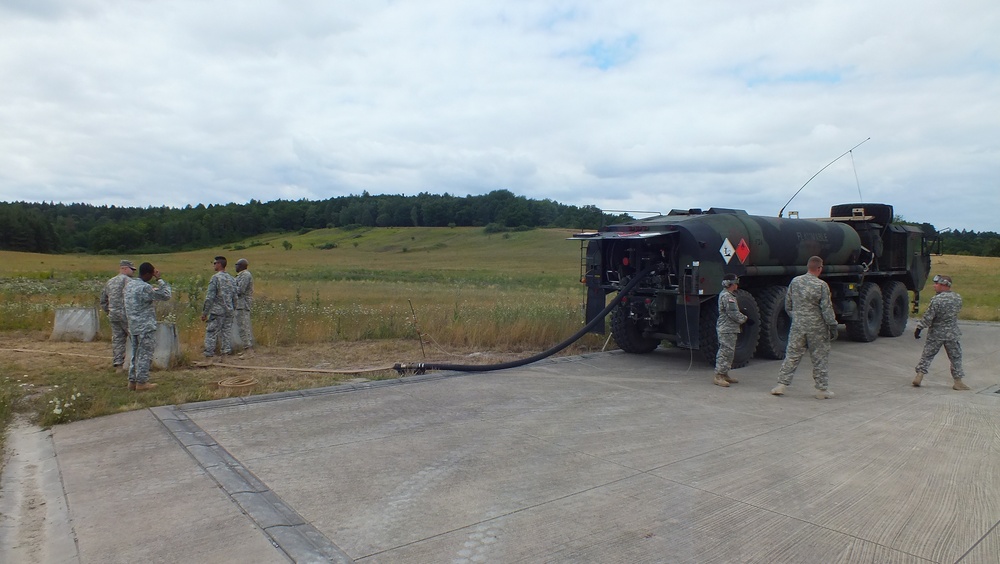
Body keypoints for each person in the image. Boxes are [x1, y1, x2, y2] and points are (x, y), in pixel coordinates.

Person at [770, 256, 839, 399]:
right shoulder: (821, 285)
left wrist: (797, 317)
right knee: (819, 357)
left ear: (808, 267)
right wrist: (833, 326)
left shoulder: (795, 281)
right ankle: (821, 390)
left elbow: (788, 304)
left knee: (792, 355)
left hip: (798, 326)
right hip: (817, 327)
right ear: (819, 268)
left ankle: (781, 385)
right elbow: (826, 309)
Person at [913, 274, 969, 390]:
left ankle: (919, 376)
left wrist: (919, 328)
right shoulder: (957, 298)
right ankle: (958, 381)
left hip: (936, 333)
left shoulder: (936, 300)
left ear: (944, 285)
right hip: (952, 333)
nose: (934, 286)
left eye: (937, 284)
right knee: (956, 357)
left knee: (927, 355)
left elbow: (929, 317)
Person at [124, 262, 171, 391]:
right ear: (148, 274)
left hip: (133, 325)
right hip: (145, 326)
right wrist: (159, 279)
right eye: (151, 274)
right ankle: (142, 382)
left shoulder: (130, 285)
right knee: (145, 354)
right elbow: (166, 295)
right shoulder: (145, 288)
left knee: (135, 354)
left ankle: (132, 381)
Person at [99, 259, 136, 371]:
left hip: (113, 314)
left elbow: (103, 300)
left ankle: (118, 366)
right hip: (127, 314)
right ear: (125, 268)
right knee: (136, 338)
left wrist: (109, 311)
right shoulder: (129, 281)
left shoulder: (110, 282)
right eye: (132, 269)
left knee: (118, 339)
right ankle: (139, 365)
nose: (133, 272)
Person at [714, 274, 748, 387]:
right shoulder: (727, 296)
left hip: (730, 328)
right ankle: (718, 375)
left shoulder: (729, 295)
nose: (736, 285)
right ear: (730, 284)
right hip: (726, 328)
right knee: (725, 352)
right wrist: (744, 319)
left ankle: (724, 373)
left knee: (729, 352)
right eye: (735, 283)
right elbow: (732, 313)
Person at [201, 256, 236, 360]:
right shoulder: (232, 279)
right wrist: (233, 308)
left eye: (215, 263)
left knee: (211, 332)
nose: (214, 265)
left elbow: (210, 297)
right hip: (229, 311)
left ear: (220, 264)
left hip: (217, 311)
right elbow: (235, 296)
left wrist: (205, 312)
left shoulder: (215, 278)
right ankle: (225, 352)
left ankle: (209, 353)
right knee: (226, 332)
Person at [234, 258, 255, 357]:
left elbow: (240, 290)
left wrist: (230, 287)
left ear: (241, 266)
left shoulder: (245, 275)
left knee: (243, 327)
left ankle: (248, 350)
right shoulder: (241, 275)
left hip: (242, 304)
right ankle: (247, 348)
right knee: (243, 326)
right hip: (240, 304)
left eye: (236, 265)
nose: (235, 267)